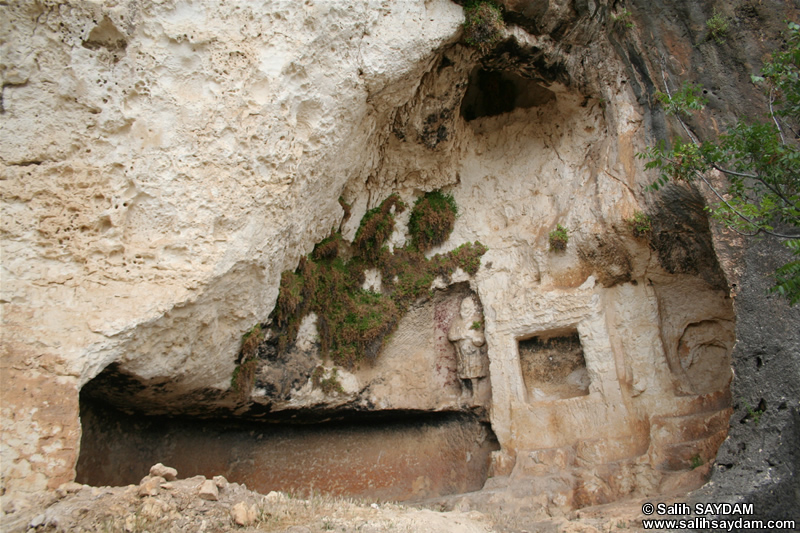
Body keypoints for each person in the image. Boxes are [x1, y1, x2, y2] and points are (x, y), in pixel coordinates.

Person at [448, 296, 488, 400]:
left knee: (473, 373)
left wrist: (472, 336)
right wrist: (461, 336)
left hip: (473, 351)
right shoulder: (457, 322)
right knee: (461, 373)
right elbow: (451, 336)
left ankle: (476, 394)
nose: (463, 311)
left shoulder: (476, 320)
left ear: (471, 309)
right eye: (462, 308)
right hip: (461, 352)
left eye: (466, 308)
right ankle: (465, 392)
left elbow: (481, 336)